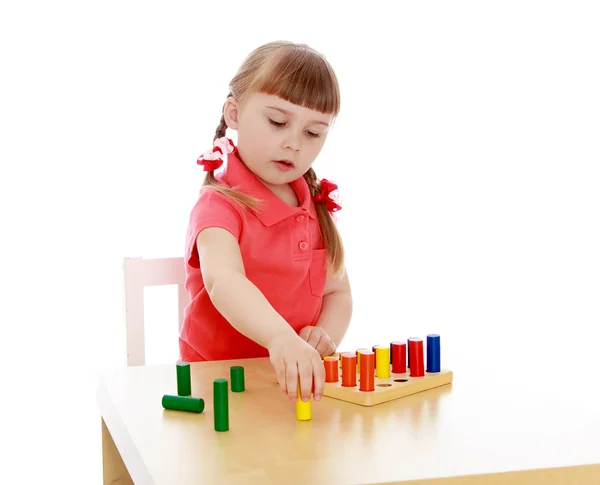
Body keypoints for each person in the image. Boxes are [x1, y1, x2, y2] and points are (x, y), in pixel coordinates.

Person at [179, 40, 352, 404]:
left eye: (313, 132)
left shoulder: (314, 204)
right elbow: (223, 280)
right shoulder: (219, 203)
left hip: (286, 389)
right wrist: (279, 337)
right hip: (217, 388)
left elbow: (338, 292)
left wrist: (324, 335)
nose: (293, 143)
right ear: (234, 114)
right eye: (278, 122)